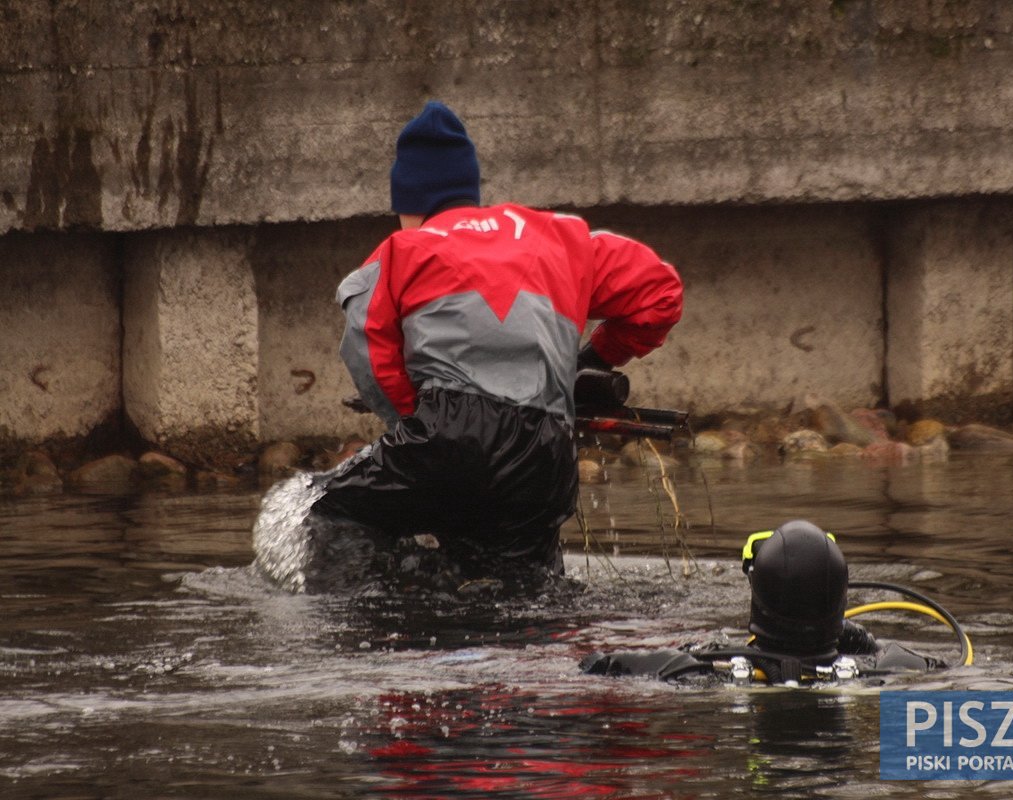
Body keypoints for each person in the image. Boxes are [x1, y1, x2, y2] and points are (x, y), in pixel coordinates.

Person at [309, 101, 684, 578]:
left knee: (322, 513)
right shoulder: (563, 236)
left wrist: (411, 418)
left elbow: (370, 353)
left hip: (445, 440)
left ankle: (393, 609)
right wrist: (595, 357)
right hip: (545, 455)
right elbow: (661, 293)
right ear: (470, 188)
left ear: (408, 202)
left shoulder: (402, 250)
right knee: (524, 591)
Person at [581, 520, 949, 685]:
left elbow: (593, 665)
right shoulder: (889, 667)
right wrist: (857, 638)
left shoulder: (693, 667)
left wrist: (706, 648)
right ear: (839, 596)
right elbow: (936, 665)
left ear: (759, 596)